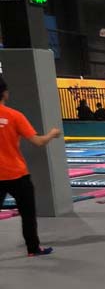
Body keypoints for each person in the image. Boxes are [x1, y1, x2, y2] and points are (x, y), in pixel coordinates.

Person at [0, 76, 60, 257]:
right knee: (28, 214)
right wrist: (52, 133)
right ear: (5, 93)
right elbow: (38, 142)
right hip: (17, 174)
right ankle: (33, 248)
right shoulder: (14, 116)